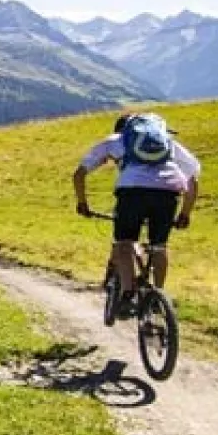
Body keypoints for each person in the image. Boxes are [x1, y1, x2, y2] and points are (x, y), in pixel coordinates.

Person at [73, 112, 201, 316]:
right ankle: (158, 296)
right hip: (168, 194)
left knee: (124, 242)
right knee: (159, 247)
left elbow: (79, 174)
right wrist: (185, 213)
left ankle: (128, 294)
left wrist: (82, 203)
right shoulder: (167, 143)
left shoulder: (116, 140)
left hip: (132, 193)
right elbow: (193, 181)